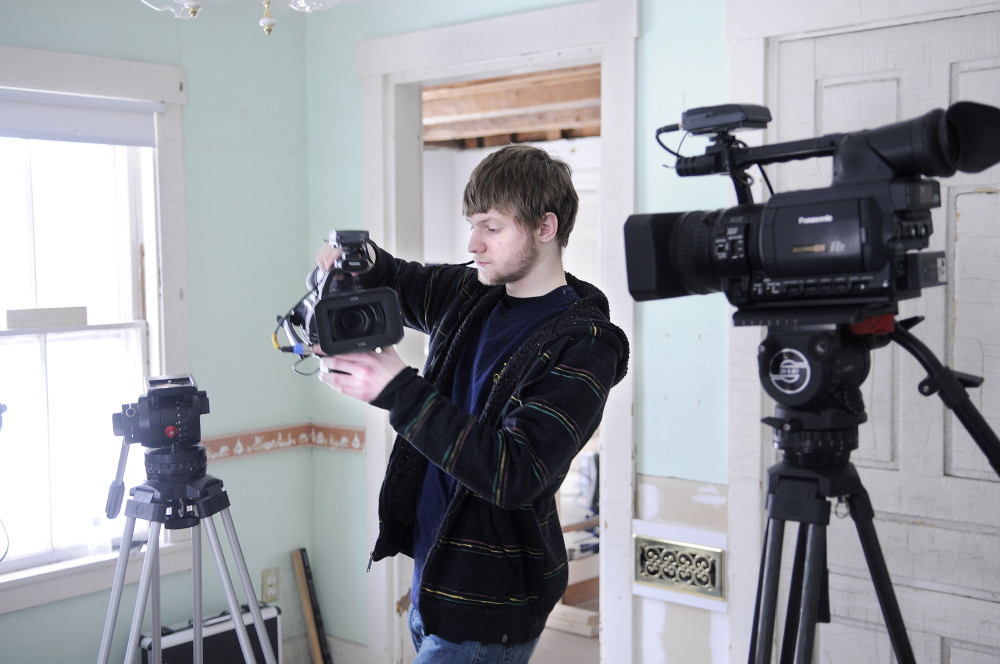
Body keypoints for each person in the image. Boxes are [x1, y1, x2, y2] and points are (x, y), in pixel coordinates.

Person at [314, 144, 629, 663]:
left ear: (545, 228)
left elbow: (515, 471)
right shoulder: (472, 292)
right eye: (471, 224)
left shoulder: (586, 344)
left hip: (491, 605)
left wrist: (397, 388)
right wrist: (360, 261)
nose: (473, 243)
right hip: (433, 580)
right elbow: (403, 277)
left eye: (491, 227)